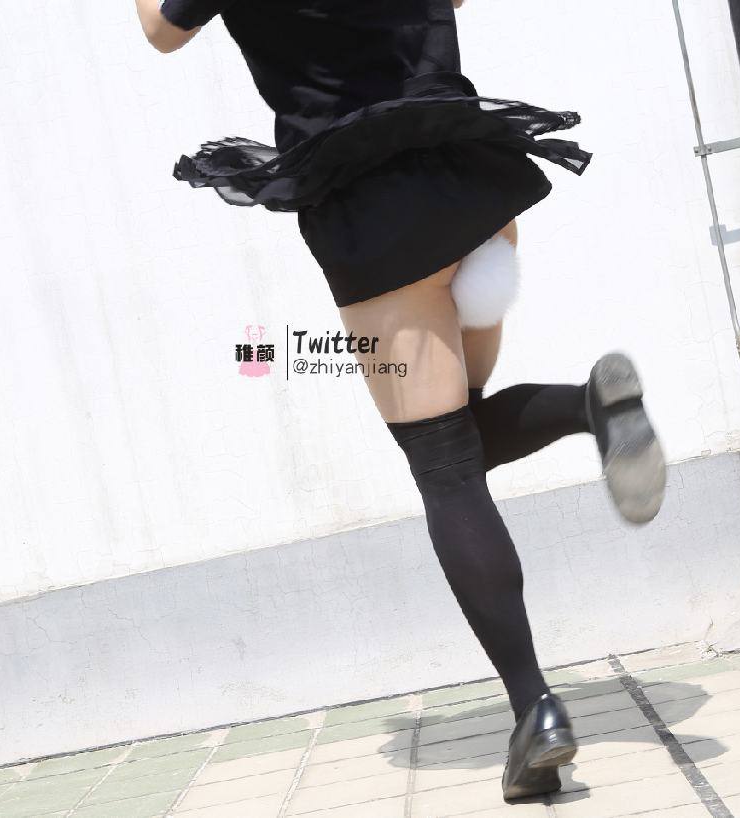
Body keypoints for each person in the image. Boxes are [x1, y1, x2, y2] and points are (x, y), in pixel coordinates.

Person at [134, 0, 667, 801]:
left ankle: (536, 709)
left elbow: (161, 29)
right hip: (471, 178)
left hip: (373, 209)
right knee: (461, 437)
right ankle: (590, 408)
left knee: (446, 471)